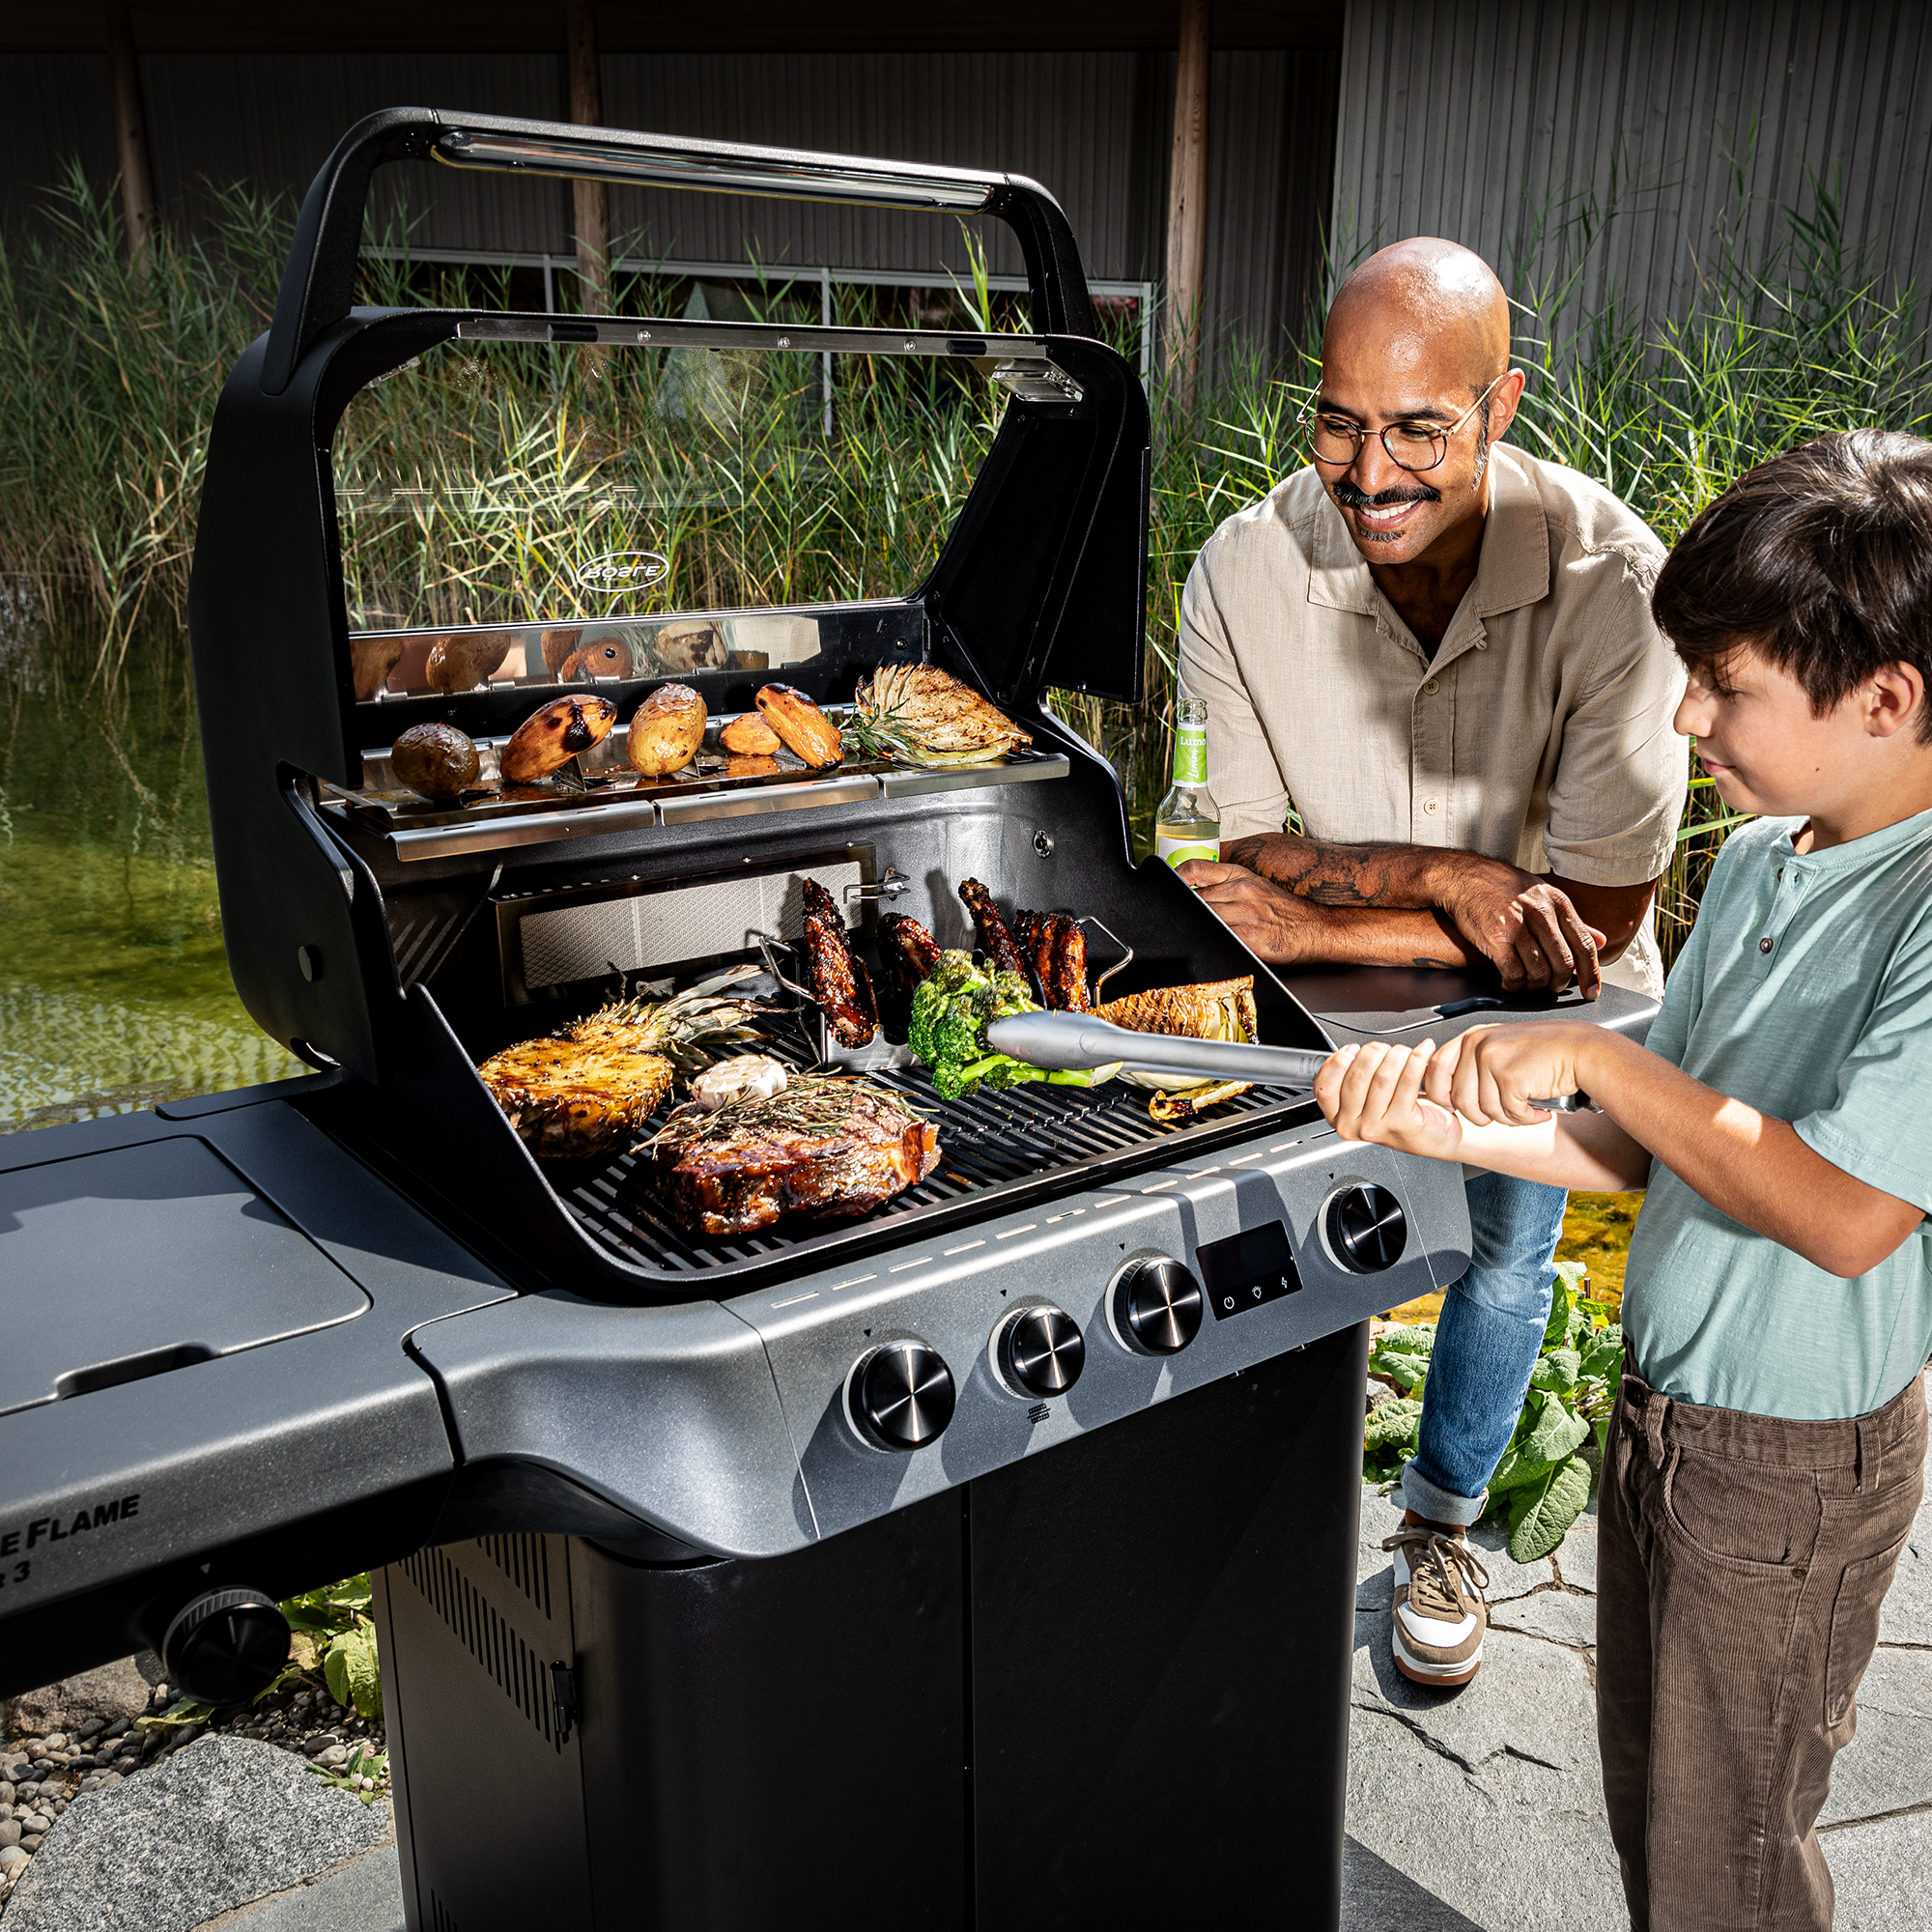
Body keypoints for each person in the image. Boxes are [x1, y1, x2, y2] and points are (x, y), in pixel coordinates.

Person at [1314, 429, 1932, 1931]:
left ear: (1887, 698)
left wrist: (1590, 1050)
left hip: (1791, 1466)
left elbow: (1847, 1215)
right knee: (1659, 1823)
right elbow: (1642, 1149)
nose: (1687, 714)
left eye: (1727, 686)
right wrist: (1437, 1123)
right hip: (1667, 1422)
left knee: (1725, 1868)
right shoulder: (1772, 862)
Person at [1176, 237, 1688, 1685]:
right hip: (1324, 1002)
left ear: (1501, 403)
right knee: (1263, 1232)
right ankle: (1240, 1534)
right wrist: (1463, 886)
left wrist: (1358, 911)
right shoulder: (1241, 567)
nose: (1368, 468)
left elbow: (1583, 922)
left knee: (1511, 1248)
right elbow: (1242, 870)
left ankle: (1441, 1520)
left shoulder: (1616, 582)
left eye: (1417, 428)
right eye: (1338, 419)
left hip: (1563, 1003)